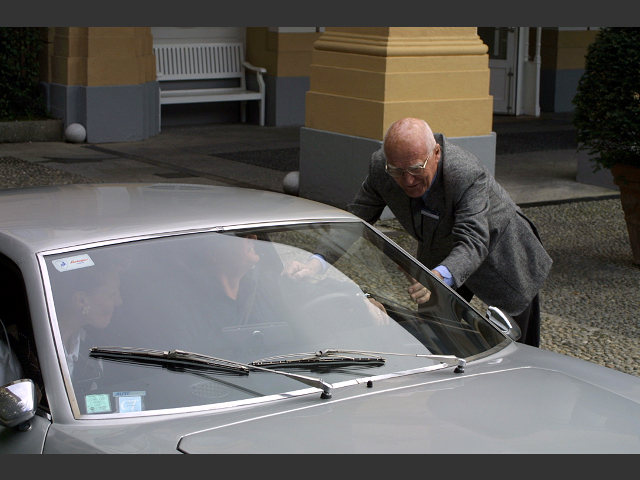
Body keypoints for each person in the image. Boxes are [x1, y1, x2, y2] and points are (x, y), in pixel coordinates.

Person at [289, 117, 552, 347]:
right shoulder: (382, 167)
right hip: (439, 246)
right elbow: (355, 219)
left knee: (519, 344)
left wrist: (436, 276)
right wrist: (317, 262)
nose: (407, 181)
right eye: (398, 171)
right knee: (433, 330)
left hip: (501, 252)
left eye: (415, 169)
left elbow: (473, 240)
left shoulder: (466, 173)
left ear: (436, 153)